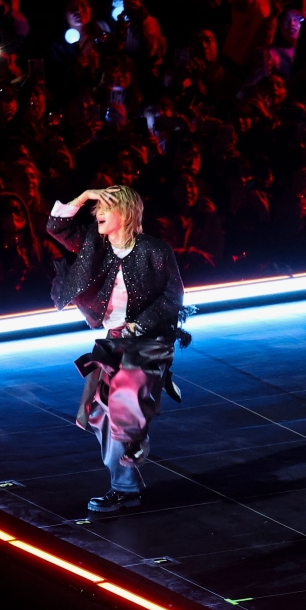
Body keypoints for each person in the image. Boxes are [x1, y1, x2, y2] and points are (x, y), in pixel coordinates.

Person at [47, 186, 188, 513]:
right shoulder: (94, 244)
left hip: (149, 339)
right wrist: (83, 196)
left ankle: (134, 440)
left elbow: (174, 297)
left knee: (123, 399)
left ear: (124, 213)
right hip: (114, 338)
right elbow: (57, 227)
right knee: (99, 412)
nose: (97, 213)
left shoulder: (155, 250)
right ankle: (125, 487)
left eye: (104, 208)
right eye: (95, 208)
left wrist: (139, 324)